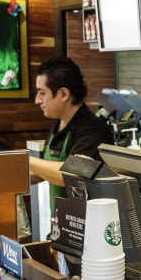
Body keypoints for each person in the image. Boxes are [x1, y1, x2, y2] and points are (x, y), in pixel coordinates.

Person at [29, 56, 114, 212]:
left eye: (42, 93)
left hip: (89, 226)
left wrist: (25, 159)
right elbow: (43, 172)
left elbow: (73, 174)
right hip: (62, 224)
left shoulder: (92, 129)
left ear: (63, 94)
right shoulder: (58, 125)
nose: (37, 100)